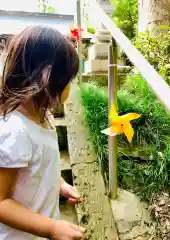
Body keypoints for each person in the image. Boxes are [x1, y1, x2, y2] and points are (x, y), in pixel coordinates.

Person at [0, 26, 85, 240]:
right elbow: (1, 203)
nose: (70, 87)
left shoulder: (44, 118)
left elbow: (37, 169)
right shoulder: (14, 131)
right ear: (46, 77)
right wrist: (50, 228)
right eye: (68, 80)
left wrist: (61, 185)